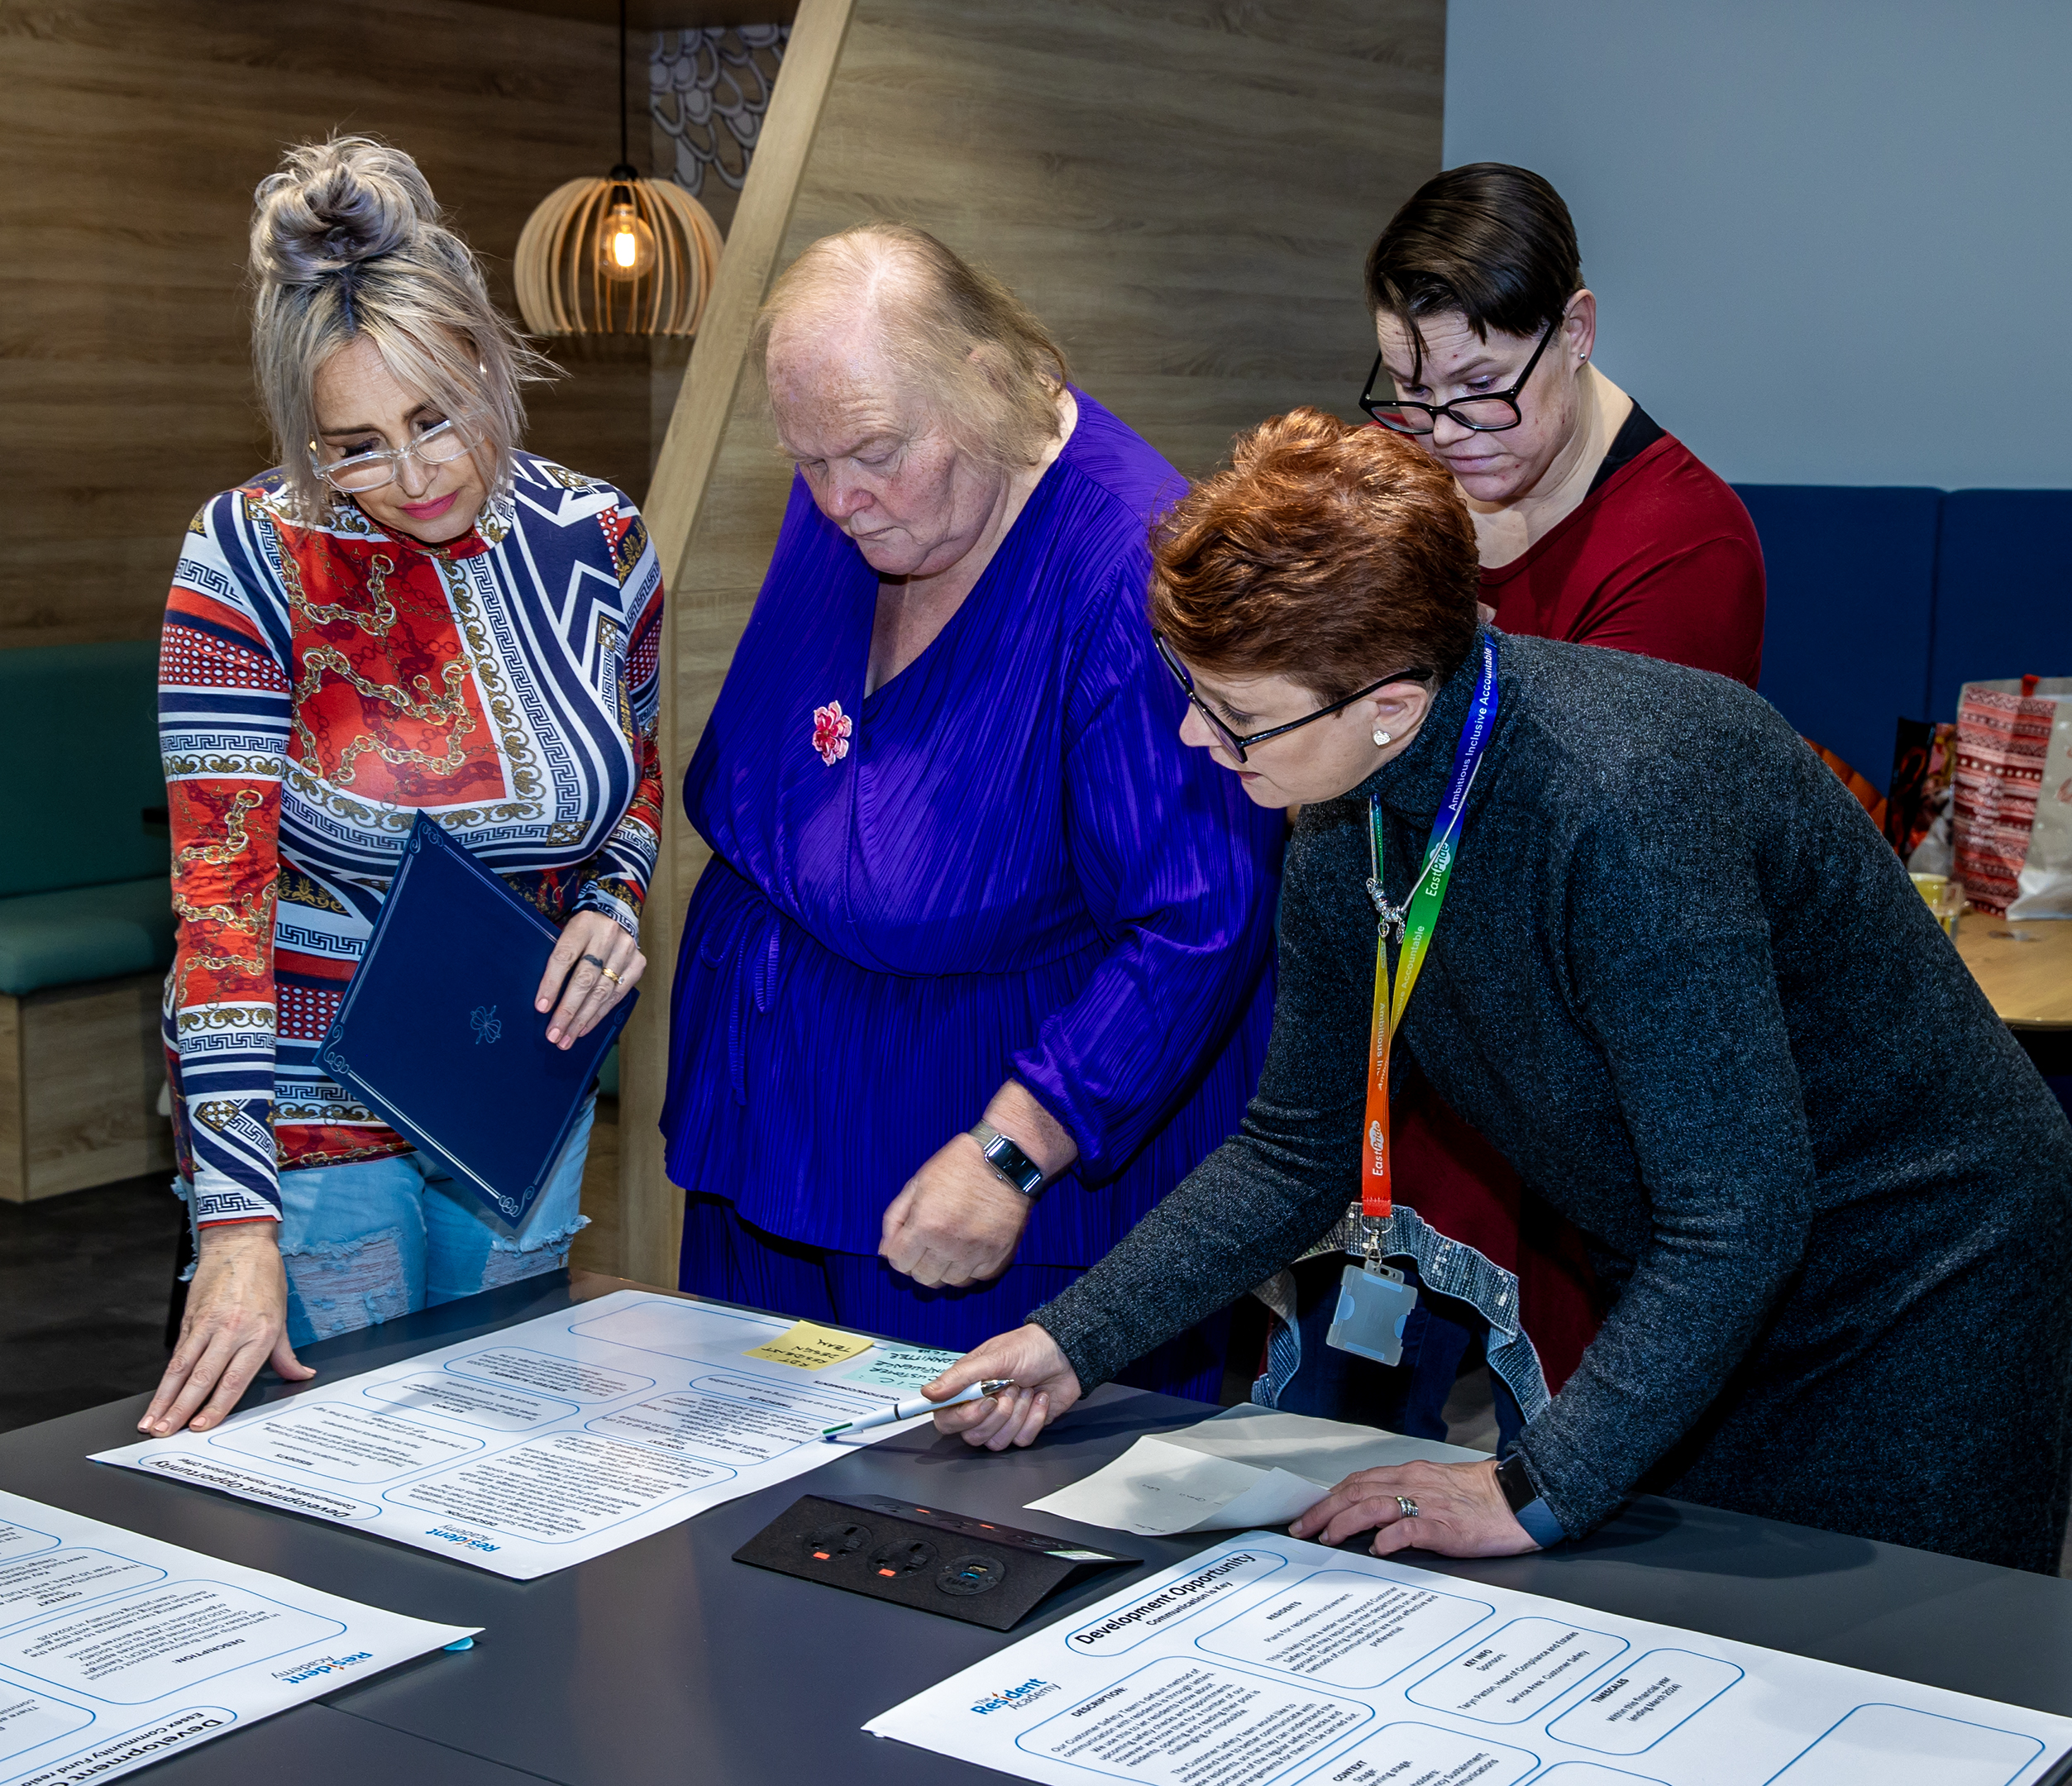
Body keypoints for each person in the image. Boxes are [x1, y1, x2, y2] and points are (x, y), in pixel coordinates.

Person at [923, 410, 2072, 1574]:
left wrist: (1529, 1485)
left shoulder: (1618, 809)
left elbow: (1737, 1214)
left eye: (1232, 712)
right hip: (1703, 1266)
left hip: (1920, 1267)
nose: (1192, 736)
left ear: (1387, 699)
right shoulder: (1343, 809)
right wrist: (1073, 1341)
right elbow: (1292, 1150)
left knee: (1902, 1670)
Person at [661, 224, 1283, 1396]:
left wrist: (1013, 1149)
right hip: (777, 1133)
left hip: (993, 1180)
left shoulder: (1133, 570)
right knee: (745, 1504)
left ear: (992, 382)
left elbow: (1202, 919)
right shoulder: (864, 474)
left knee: (969, 1541)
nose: (840, 500)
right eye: (807, 461)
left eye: (872, 454)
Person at [141, 136, 663, 1440]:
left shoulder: (599, 538)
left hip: (513, 1068)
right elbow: (221, 904)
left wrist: (616, 897)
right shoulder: (246, 557)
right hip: (310, 1084)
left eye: (437, 416)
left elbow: (633, 771)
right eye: (357, 446)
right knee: (352, 1454)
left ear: (489, 360)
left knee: (516, 1438)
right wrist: (236, 1217)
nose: (416, 472)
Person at [1296, 160, 1774, 1427]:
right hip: (1408, 1066)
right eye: (1407, 395)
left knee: (1561, 1464)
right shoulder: (1405, 490)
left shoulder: (1683, 545)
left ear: (1574, 330)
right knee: (1327, 1439)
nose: (1442, 434)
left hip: (1577, 1088)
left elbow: (1573, 845)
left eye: (1478, 391)